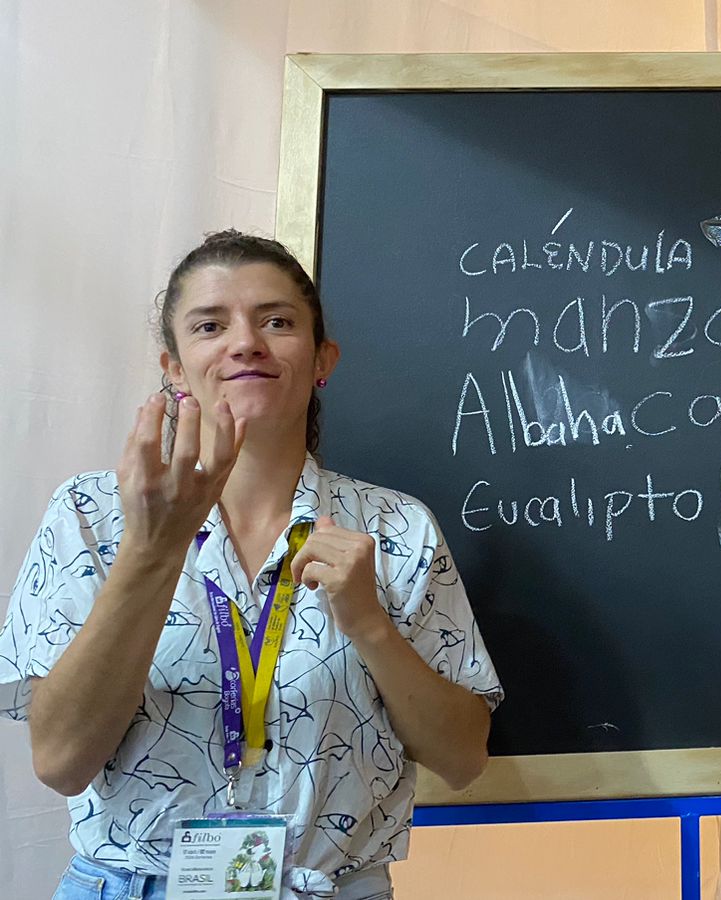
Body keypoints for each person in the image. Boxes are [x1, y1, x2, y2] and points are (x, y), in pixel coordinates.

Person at [0, 231, 503, 899]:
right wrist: (151, 552)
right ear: (174, 367)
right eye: (211, 325)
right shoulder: (92, 515)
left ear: (323, 359)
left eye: (277, 321)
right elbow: (61, 762)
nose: (245, 342)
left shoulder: (394, 528)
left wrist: (369, 624)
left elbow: (463, 759)